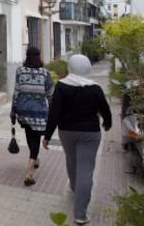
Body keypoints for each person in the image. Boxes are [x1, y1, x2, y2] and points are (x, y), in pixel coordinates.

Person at [42, 54, 112, 225]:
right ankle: (80, 214)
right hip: (90, 134)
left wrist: (47, 135)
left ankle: (74, 187)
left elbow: (54, 112)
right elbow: (105, 109)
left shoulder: (62, 86)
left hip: (66, 132)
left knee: (72, 161)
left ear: (71, 68)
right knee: (86, 170)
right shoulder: (95, 88)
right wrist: (107, 124)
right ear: (87, 68)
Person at [10, 46, 53, 186]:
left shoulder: (20, 71)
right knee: (36, 138)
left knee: (30, 135)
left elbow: (16, 92)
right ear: (39, 56)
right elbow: (50, 95)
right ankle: (29, 173)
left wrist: (13, 110)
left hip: (23, 110)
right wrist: (53, 111)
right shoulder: (45, 73)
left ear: (27, 56)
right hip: (39, 112)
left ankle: (35, 159)